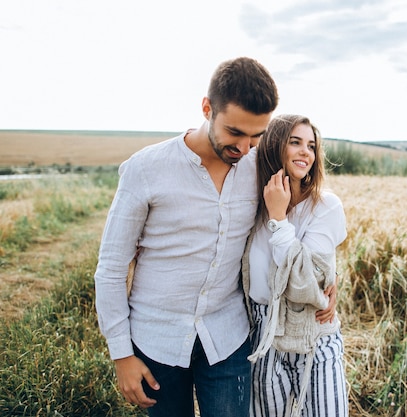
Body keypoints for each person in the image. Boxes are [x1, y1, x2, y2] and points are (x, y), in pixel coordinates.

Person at [94, 57, 279, 417]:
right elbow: (112, 268)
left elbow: (300, 212)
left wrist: (324, 275)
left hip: (227, 337)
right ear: (207, 108)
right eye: (235, 132)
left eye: (257, 135)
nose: (245, 147)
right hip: (156, 341)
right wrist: (121, 354)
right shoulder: (146, 169)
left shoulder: (259, 167)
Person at [241, 115, 349, 416]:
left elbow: (307, 284)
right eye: (295, 142)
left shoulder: (325, 206)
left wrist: (278, 221)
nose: (306, 152)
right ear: (275, 146)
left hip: (314, 330)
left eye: (312, 146)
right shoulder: (253, 204)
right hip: (264, 335)